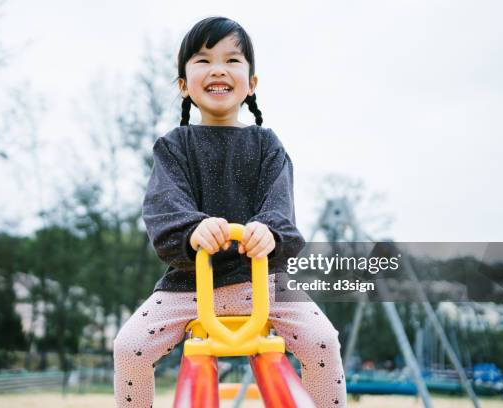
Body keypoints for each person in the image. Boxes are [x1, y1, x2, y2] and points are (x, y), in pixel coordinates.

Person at [113, 16, 347, 407]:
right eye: (203, 60)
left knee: (324, 341)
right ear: (184, 85)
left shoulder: (267, 145)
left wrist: (269, 231)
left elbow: (281, 211)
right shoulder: (174, 148)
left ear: (251, 83)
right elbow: (163, 208)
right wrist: (192, 230)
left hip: (266, 284)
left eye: (232, 60)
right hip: (189, 285)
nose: (218, 68)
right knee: (128, 346)